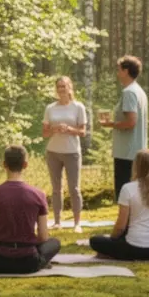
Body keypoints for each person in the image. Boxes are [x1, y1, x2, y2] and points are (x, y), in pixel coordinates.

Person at [0, 145, 61, 274]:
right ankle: (42, 261)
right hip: (29, 262)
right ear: (25, 165)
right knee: (55, 243)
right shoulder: (39, 194)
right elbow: (43, 237)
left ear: (4, 164)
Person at [89, 148, 149, 260]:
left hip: (136, 248)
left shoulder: (128, 188)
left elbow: (120, 227)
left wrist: (113, 240)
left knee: (95, 240)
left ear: (136, 166)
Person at [99, 54, 148, 201]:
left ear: (126, 71)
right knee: (137, 194)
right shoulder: (139, 91)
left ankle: (126, 217)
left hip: (126, 153)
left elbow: (131, 122)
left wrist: (110, 124)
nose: (117, 73)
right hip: (137, 151)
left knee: (125, 195)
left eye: (119, 69)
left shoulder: (129, 92)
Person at [42, 76, 87, 231]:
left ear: (70, 88)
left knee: (74, 188)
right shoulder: (50, 108)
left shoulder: (78, 107)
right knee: (56, 189)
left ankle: (77, 223)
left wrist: (69, 129)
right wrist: (54, 129)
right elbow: (45, 133)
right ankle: (57, 222)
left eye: (64, 86)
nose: (61, 89)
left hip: (72, 152)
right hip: (53, 152)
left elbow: (83, 132)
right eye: (59, 87)